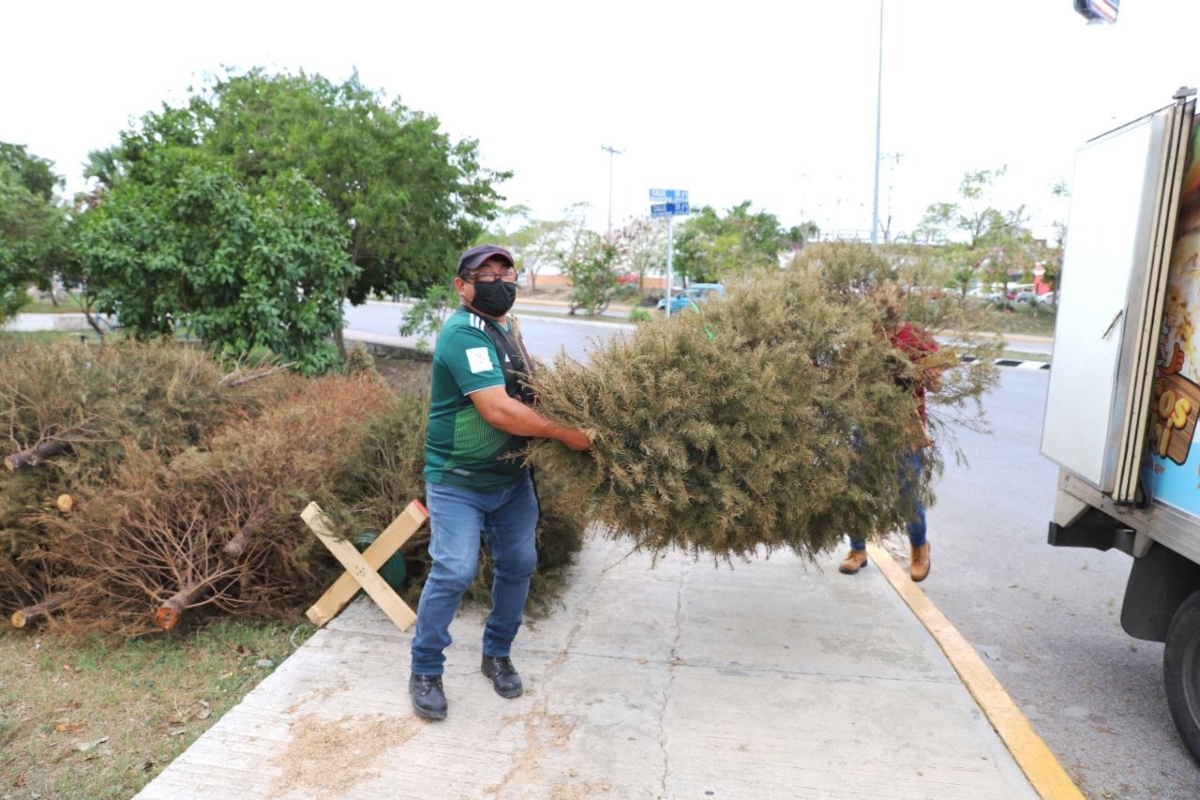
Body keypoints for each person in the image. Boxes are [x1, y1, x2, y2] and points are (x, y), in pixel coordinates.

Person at [409, 244, 591, 721]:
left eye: (504, 271)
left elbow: (526, 389)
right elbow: (497, 409)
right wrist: (567, 435)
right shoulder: (462, 333)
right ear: (461, 285)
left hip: (511, 481)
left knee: (519, 563)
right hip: (459, 481)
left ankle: (497, 654)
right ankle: (425, 669)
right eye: (483, 273)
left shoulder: (506, 327)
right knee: (453, 570)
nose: (497, 280)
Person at [839, 289, 942, 583]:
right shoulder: (864, 336)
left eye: (891, 300)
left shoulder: (917, 336)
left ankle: (919, 549)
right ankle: (857, 551)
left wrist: (933, 379)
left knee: (907, 494)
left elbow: (937, 385)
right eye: (880, 300)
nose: (886, 306)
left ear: (902, 304)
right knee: (855, 490)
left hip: (907, 429)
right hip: (868, 426)